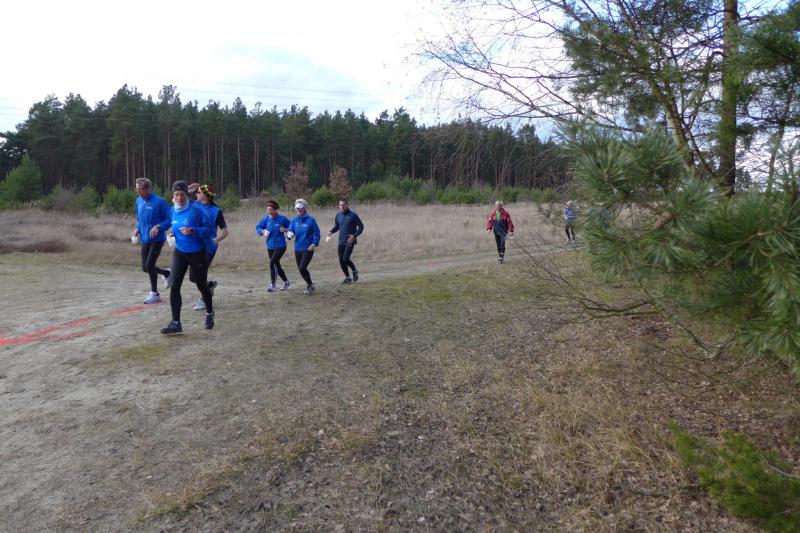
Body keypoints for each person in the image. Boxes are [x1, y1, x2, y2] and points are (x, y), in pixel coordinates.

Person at [161, 180, 214, 334]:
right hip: (180, 253)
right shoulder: (172, 210)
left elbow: (210, 230)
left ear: (187, 195)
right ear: (173, 195)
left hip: (198, 254)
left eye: (182, 195)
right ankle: (175, 323)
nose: (180, 198)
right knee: (174, 286)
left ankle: (209, 313)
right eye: (177, 195)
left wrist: (193, 231)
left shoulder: (196, 210)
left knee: (201, 286)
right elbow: (173, 226)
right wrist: (171, 234)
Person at [132, 177, 172, 304]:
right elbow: (139, 219)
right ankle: (166, 273)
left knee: (149, 265)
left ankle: (155, 294)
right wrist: (137, 229)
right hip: (145, 238)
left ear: (148, 189)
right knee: (145, 267)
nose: (138, 191)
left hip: (157, 238)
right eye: (136, 189)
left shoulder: (159, 201)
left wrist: (159, 226)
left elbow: (170, 219)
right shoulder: (138, 201)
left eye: (141, 189)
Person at [190, 184, 228, 310]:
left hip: (208, 248)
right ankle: (209, 286)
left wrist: (215, 240)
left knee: (200, 275)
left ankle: (204, 300)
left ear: (205, 195)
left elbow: (224, 231)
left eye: (198, 192)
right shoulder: (194, 204)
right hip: (194, 245)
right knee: (192, 277)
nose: (196, 194)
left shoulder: (216, 211)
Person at [256, 199, 292, 292]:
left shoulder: (282, 219)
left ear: (275, 210)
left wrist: (285, 229)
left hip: (281, 245)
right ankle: (286, 282)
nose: (269, 212)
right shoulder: (266, 219)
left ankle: (273, 285)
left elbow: (292, 227)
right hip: (270, 245)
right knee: (276, 265)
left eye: (271, 210)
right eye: (268, 210)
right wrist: (262, 231)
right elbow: (258, 227)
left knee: (272, 262)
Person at [287, 198, 321, 294]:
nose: (298, 210)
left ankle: (310, 285)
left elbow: (317, 234)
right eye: (297, 208)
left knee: (302, 268)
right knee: (301, 270)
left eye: (300, 208)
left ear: (305, 208)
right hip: (297, 248)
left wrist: (314, 244)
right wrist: (288, 234)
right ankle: (310, 284)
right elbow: (290, 233)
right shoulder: (294, 220)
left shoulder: (311, 220)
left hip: (308, 248)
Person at [327, 199, 364, 284]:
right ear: (339, 206)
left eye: (344, 205)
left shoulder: (353, 215)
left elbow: (361, 227)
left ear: (347, 205)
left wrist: (354, 236)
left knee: (345, 259)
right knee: (341, 260)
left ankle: (354, 270)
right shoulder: (338, 215)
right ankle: (348, 278)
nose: (342, 206)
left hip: (350, 241)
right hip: (341, 241)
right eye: (340, 205)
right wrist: (330, 232)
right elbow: (337, 226)